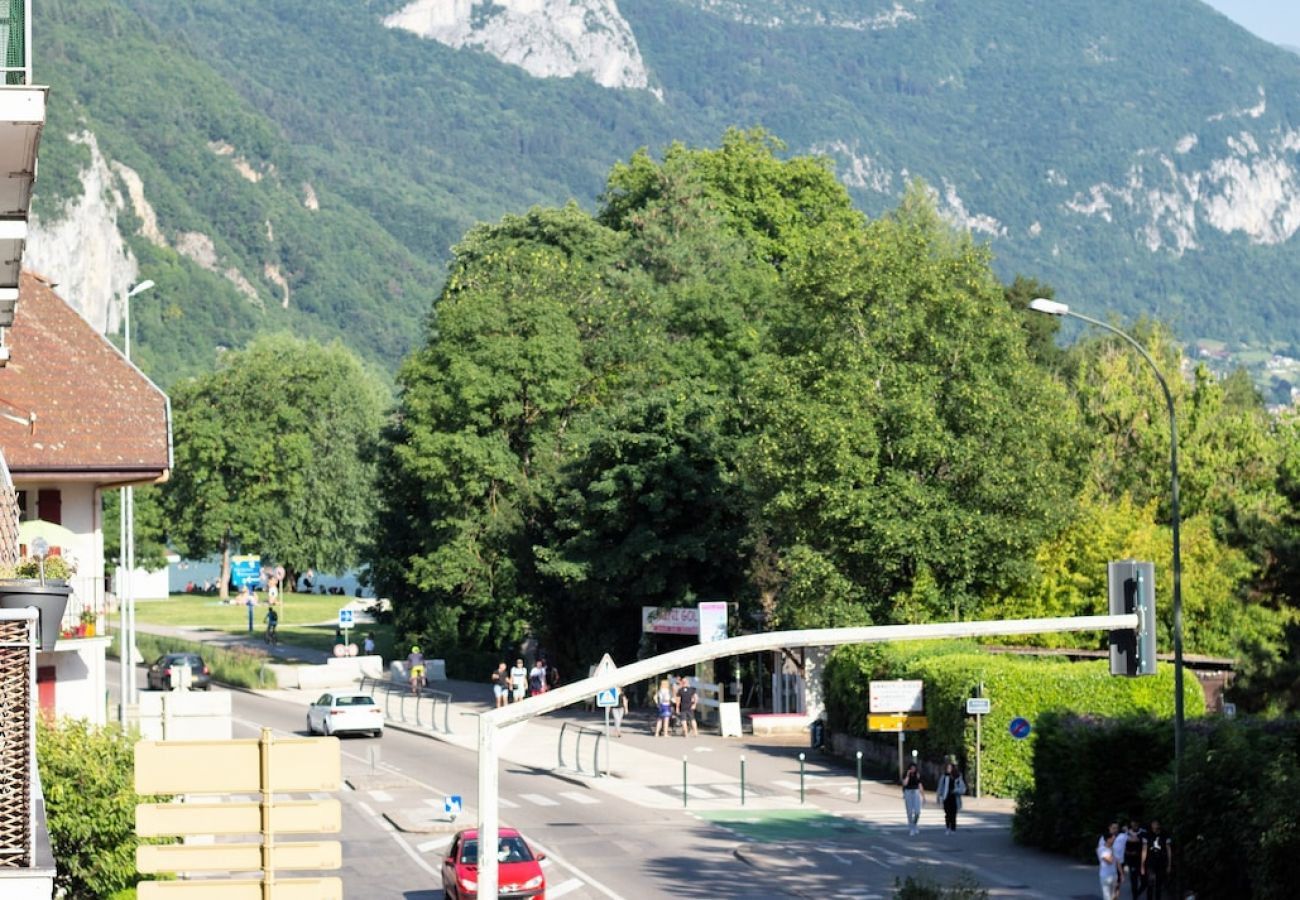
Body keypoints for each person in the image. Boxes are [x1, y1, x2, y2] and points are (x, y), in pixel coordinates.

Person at [1143, 819, 1172, 900]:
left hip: (1161, 862)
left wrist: (1169, 864)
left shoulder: (1165, 834)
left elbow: (1168, 850)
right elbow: (1144, 849)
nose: (1155, 826)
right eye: (1153, 824)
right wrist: (1142, 864)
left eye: (1157, 824)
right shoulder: (1147, 834)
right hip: (1150, 862)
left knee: (1159, 885)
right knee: (1150, 884)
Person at [936, 761, 966, 833]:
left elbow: (963, 788)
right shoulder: (944, 777)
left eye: (950, 768)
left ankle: (953, 828)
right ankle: (947, 827)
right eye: (947, 768)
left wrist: (956, 790)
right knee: (947, 813)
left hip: (955, 797)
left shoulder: (957, 777)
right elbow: (940, 787)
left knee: (953, 813)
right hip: (946, 797)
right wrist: (938, 797)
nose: (948, 769)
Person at [1121, 819, 1146, 899]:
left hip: (1143, 860)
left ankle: (1137, 893)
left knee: (1144, 882)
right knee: (1134, 881)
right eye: (1133, 822)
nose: (1134, 823)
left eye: (1136, 822)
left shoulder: (1143, 832)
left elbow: (1137, 839)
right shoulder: (1125, 833)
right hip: (1131, 861)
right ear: (1130, 823)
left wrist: (1129, 833)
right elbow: (1123, 846)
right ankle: (1135, 897)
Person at [902, 762, 925, 835]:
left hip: (916, 792)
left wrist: (923, 796)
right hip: (908, 792)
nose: (913, 769)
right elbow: (904, 783)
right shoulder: (905, 774)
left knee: (917, 812)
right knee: (909, 812)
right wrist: (908, 775)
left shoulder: (917, 775)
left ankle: (915, 825)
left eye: (914, 768)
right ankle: (911, 828)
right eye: (911, 768)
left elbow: (920, 785)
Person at [1098, 831, 1122, 900]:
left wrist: (1121, 874)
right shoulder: (1101, 849)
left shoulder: (1113, 849)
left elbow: (1117, 861)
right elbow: (1110, 861)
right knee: (1107, 897)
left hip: (1114, 875)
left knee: (1114, 896)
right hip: (1105, 876)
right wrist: (1112, 851)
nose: (1114, 841)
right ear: (1108, 839)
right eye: (1113, 839)